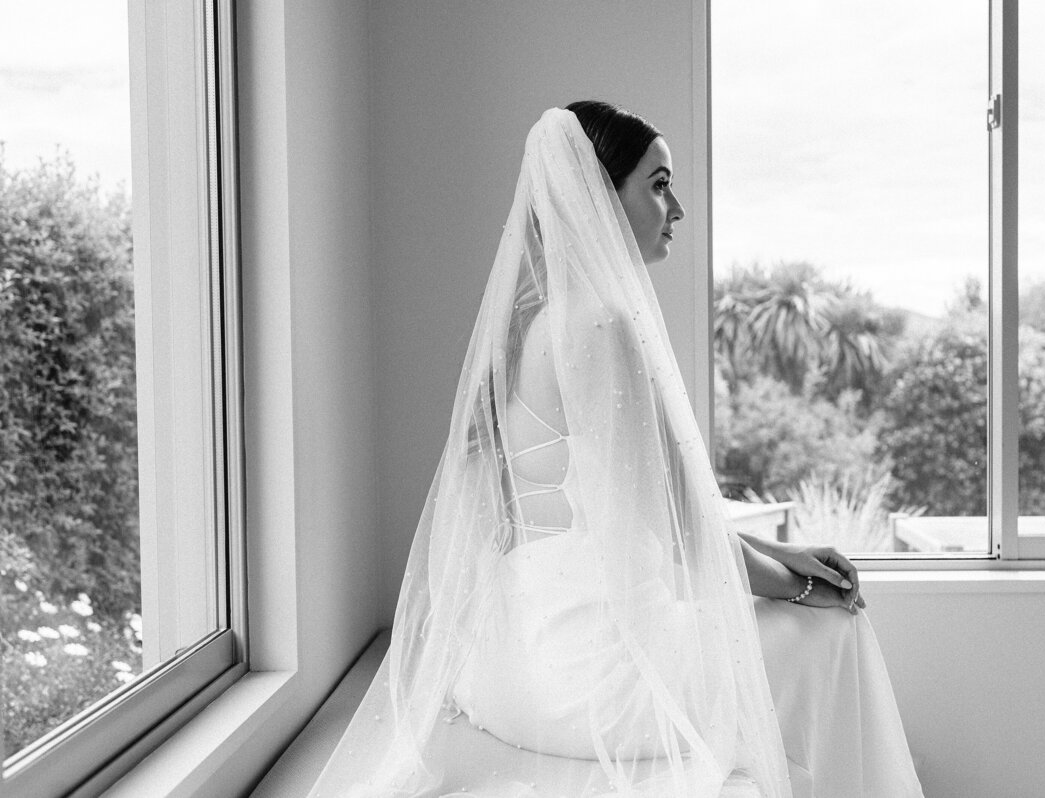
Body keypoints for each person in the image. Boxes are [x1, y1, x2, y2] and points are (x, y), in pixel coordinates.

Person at [308, 102, 924, 797]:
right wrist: (808, 588)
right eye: (659, 184)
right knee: (834, 632)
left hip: (514, 653)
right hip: (591, 673)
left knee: (792, 622)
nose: (677, 208)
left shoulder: (535, 321)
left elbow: (661, 510)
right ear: (602, 195)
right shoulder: (599, 323)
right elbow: (673, 528)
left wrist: (785, 555)